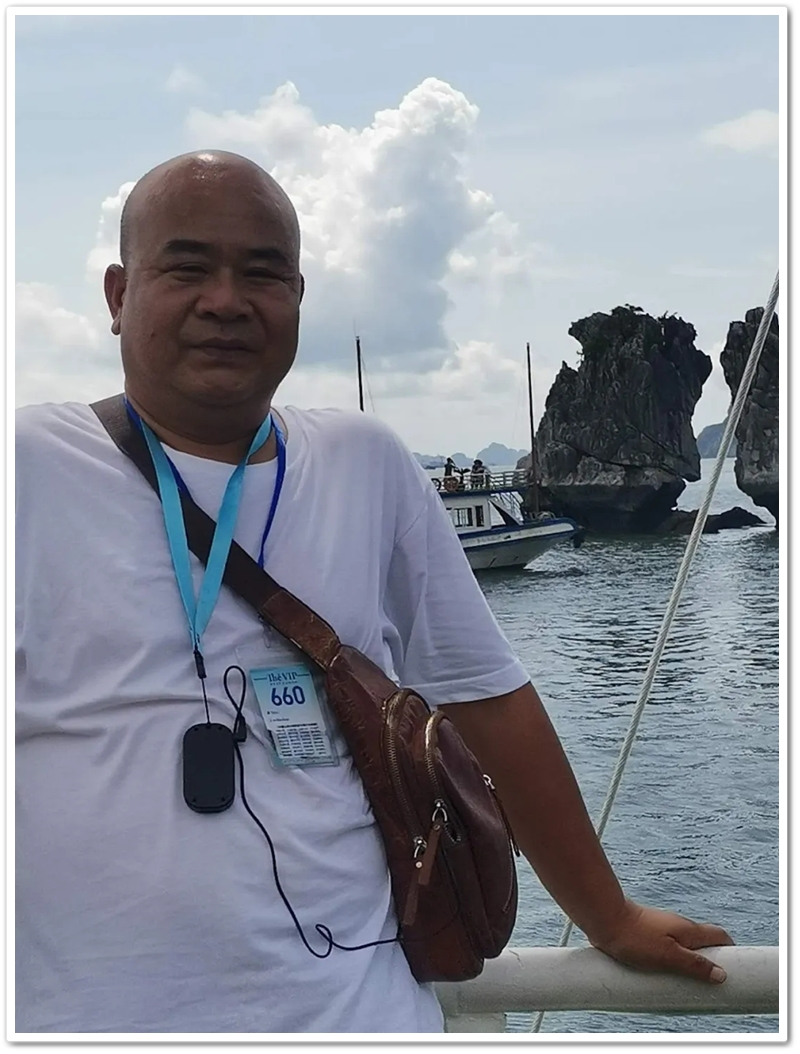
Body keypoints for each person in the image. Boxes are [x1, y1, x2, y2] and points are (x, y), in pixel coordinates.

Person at [15, 150, 733, 1035]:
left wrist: (607, 916)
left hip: (362, 1016)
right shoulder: (31, 469)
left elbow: (490, 700)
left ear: (298, 297)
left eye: (263, 273)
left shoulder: (367, 463)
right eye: (188, 268)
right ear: (120, 294)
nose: (226, 301)